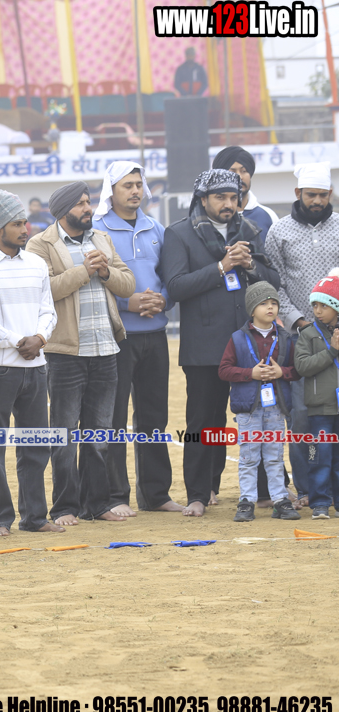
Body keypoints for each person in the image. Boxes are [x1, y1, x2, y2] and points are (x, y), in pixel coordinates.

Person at [159, 169, 280, 516]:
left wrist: (250, 265)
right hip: (204, 347)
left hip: (251, 346)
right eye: (220, 198)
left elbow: (273, 281)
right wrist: (221, 266)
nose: (228, 204)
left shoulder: (250, 231)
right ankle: (199, 494)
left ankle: (265, 491)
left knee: (259, 416)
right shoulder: (179, 233)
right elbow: (176, 286)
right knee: (204, 422)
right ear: (202, 199)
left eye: (233, 197)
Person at [25, 182, 135, 525]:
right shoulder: (40, 244)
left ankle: (97, 505)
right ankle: (65, 508)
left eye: (88, 202)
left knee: (99, 435)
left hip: (106, 348)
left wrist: (105, 271)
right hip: (65, 352)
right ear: (62, 211)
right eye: (81, 204)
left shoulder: (101, 238)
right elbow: (45, 290)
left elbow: (128, 284)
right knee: (65, 435)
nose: (88, 208)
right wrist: (84, 271)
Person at [92, 162, 182, 514]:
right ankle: (115, 496)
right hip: (117, 336)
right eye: (127, 185)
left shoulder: (156, 228)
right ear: (111, 191)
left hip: (155, 335)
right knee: (113, 418)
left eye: (138, 184)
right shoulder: (97, 230)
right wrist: (126, 303)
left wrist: (163, 300)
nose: (135, 191)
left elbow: (170, 276)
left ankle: (155, 495)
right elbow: (92, 285)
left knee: (154, 416)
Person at [0, 190, 63, 535]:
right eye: (16, 224)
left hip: (36, 367)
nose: (25, 229)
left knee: (35, 446)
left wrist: (39, 338)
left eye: (25, 222)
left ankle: (35, 517)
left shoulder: (37, 264)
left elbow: (48, 311)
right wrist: (17, 342)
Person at [267, 162, 339, 508]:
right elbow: (274, 285)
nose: (317, 201)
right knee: (301, 416)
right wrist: (299, 321)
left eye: (323, 195)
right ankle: (308, 489)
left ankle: (333, 491)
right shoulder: (278, 232)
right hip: (298, 338)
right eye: (311, 194)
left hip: (338, 336)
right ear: (297, 193)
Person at [218, 282, 300, 522]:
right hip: (249, 409)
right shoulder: (237, 338)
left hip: (276, 407)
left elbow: (297, 370)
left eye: (274, 303)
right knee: (249, 456)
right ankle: (246, 501)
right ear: (252, 309)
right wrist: (249, 374)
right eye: (264, 303)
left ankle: (280, 500)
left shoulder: (285, 338)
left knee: (274, 455)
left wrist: (282, 372)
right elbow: (224, 370)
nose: (270, 307)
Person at [293, 274, 339, 520]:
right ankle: (320, 503)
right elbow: (302, 366)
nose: (317, 311)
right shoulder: (308, 334)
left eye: (324, 305)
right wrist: (332, 351)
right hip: (319, 409)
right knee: (317, 456)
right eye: (315, 305)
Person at [213, 146, 279, 239]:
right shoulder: (211, 217)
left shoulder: (268, 216)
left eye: (243, 171)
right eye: (233, 171)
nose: (239, 176)